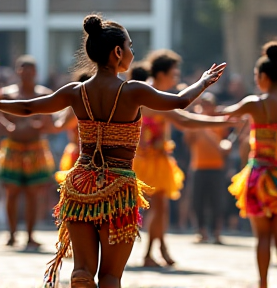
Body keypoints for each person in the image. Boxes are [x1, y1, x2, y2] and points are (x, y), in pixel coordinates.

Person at [0, 14, 226, 288]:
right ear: (118, 52)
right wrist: (203, 81)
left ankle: (81, 275)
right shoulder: (133, 91)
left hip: (80, 186)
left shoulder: (76, 91)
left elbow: (28, 107)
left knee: (82, 271)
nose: (132, 52)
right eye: (130, 46)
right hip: (118, 189)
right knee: (110, 276)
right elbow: (180, 101)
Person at [132, 50, 230, 267]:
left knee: (160, 208)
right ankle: (150, 252)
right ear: (162, 74)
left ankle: (158, 248)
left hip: (156, 159)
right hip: (146, 161)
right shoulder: (151, 94)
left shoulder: (151, 92)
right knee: (155, 208)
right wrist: (220, 122)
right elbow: (184, 120)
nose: (176, 79)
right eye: (174, 74)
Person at [219, 41, 277, 288]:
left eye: (256, 76)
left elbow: (226, 114)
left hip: (259, 178)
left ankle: (263, 284)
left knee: (262, 239)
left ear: (264, 76)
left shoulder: (254, 104)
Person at [0, 55, 55, 250]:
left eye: (31, 70)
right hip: (13, 148)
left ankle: (31, 235)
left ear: (36, 73)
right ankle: (12, 234)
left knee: (34, 193)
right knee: (11, 192)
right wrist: (7, 126)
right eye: (23, 70)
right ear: (18, 72)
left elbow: (50, 119)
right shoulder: (7, 94)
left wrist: (42, 124)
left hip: (36, 147)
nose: (27, 74)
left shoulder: (44, 94)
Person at [184, 92, 231, 244]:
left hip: (217, 167)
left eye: (208, 104)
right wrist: (193, 125)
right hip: (198, 166)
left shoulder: (219, 122)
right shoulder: (195, 123)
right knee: (198, 201)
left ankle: (217, 232)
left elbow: (225, 145)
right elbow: (188, 141)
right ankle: (201, 231)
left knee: (217, 201)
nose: (205, 107)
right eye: (203, 104)